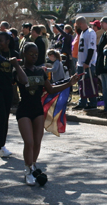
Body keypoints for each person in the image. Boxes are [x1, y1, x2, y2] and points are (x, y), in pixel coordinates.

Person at [13, 42, 81, 186]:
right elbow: (24, 80)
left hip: (37, 110)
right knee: (29, 142)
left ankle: (33, 166)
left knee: (37, 142)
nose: (34, 56)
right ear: (24, 54)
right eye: (31, 53)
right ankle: (27, 170)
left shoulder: (40, 71)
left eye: (36, 54)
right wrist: (16, 65)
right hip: (24, 110)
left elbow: (50, 89)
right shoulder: (19, 71)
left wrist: (69, 83)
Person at [0, 31, 19, 158]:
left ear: (8, 41)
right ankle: (1, 146)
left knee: (6, 117)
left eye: (1, 41)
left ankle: (3, 146)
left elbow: (18, 71)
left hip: (8, 89)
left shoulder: (14, 54)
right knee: (1, 116)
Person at [73, 16, 98, 109]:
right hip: (81, 62)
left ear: (80, 24)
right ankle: (82, 102)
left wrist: (87, 62)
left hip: (88, 63)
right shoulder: (83, 33)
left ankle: (93, 103)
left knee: (89, 83)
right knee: (81, 83)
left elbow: (91, 49)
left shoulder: (91, 33)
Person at [95, 17, 107, 115]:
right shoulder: (103, 34)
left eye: (102, 23)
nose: (101, 25)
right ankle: (106, 107)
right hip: (102, 64)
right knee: (104, 88)